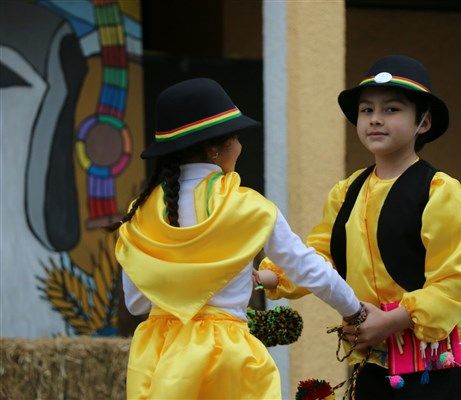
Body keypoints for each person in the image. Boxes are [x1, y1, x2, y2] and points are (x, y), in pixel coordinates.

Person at [111, 78, 368, 400]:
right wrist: (355, 311)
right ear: (215, 149)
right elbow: (307, 268)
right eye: (236, 137)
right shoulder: (248, 207)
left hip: (157, 356)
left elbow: (136, 303)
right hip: (226, 356)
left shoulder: (139, 213)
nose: (240, 147)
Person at [260, 55, 461, 399]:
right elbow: (320, 257)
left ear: (423, 122)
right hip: (373, 361)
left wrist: (393, 320)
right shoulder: (346, 191)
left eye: (391, 109)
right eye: (367, 110)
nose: (375, 119)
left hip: (435, 366)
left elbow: (458, 281)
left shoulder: (438, 190)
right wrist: (266, 276)